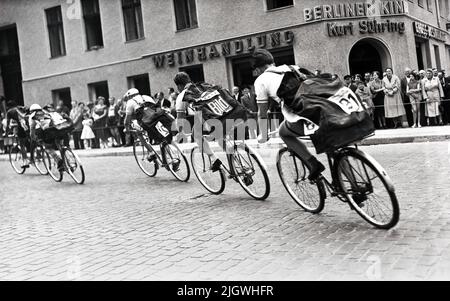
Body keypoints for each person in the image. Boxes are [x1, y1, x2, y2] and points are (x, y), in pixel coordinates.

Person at [252, 49, 324, 180]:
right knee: (335, 148)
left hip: (303, 116)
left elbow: (262, 113)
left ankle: (312, 163)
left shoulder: (261, 80)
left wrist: (263, 135)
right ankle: (354, 186)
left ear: (257, 69)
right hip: (323, 108)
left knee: (283, 132)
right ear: (272, 62)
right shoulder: (292, 67)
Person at [174, 72, 247, 172]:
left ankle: (214, 159)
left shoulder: (182, 96)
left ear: (179, 86)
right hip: (234, 114)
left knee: (197, 134)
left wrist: (179, 131)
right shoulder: (206, 85)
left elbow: (180, 119)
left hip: (216, 121)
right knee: (221, 138)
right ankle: (240, 165)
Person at [28, 104, 65, 171]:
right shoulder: (48, 111)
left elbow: (32, 128)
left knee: (48, 148)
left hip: (50, 131)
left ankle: (58, 160)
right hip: (62, 127)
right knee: (60, 145)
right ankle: (67, 160)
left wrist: (32, 137)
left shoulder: (33, 116)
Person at [4, 100, 30, 168]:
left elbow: (7, 124)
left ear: (8, 106)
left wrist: (6, 133)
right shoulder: (21, 107)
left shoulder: (9, 112)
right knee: (33, 140)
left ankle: (25, 161)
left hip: (22, 126)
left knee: (22, 144)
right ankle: (38, 154)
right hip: (31, 123)